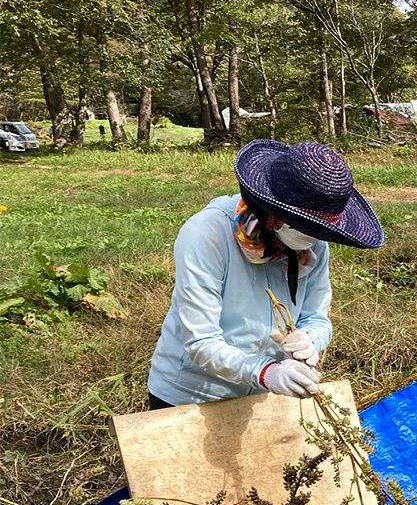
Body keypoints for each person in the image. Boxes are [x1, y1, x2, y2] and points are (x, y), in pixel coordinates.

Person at [147, 140, 384, 409]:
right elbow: (201, 340)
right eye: (304, 227)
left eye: (320, 231)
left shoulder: (313, 244)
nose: (314, 239)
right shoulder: (207, 234)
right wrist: (266, 372)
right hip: (192, 395)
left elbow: (317, 317)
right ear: (271, 211)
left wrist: (309, 339)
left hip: (261, 396)